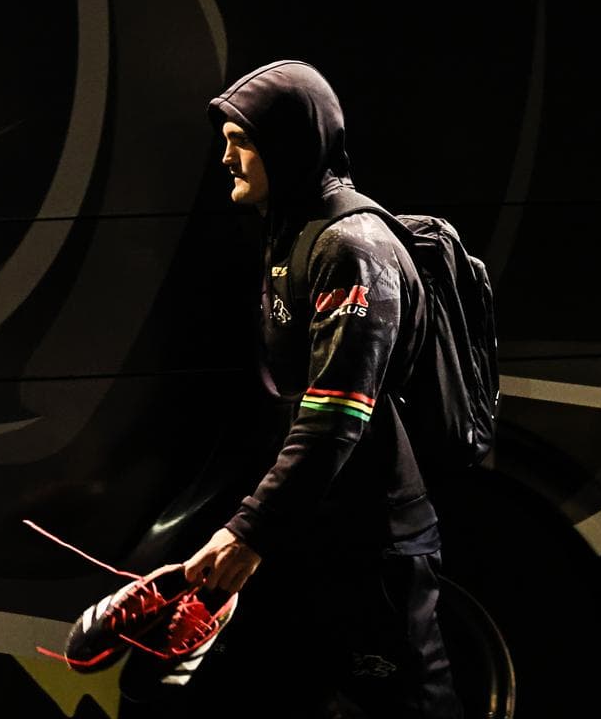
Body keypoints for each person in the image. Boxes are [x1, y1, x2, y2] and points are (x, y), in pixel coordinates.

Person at [162, 59, 462, 719]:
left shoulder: (350, 247)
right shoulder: (293, 234)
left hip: (372, 540)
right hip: (319, 531)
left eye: (241, 141)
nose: (226, 159)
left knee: (408, 707)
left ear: (289, 144)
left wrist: (248, 532)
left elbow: (334, 417)